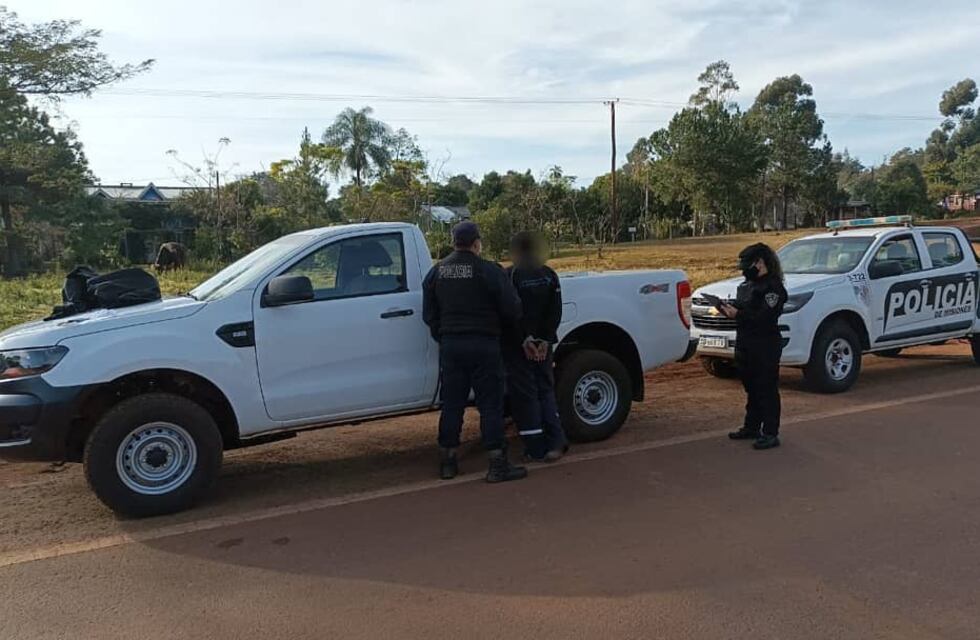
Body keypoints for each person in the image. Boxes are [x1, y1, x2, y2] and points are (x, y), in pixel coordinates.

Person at [422, 221, 528, 483]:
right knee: (490, 405)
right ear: (477, 243)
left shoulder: (437, 272)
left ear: (454, 242)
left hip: (451, 346)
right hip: (484, 344)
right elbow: (512, 308)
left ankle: (448, 461)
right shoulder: (489, 270)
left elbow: (429, 315)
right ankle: (497, 465)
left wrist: (444, 335)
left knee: (452, 404)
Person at [504, 232, 568, 462]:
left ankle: (535, 447)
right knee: (545, 390)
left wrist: (526, 339)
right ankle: (557, 442)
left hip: (521, 346)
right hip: (542, 345)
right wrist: (545, 340)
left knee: (526, 395)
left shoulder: (510, 275)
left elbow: (511, 311)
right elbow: (555, 311)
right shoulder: (549, 275)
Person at [720, 243, 787, 450]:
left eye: (748, 264)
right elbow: (746, 307)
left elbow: (764, 318)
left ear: (760, 262)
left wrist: (738, 314)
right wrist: (728, 308)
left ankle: (770, 432)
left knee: (766, 388)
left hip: (765, 344)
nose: (744, 270)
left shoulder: (773, 288)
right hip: (746, 342)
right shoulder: (748, 285)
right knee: (752, 388)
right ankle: (751, 427)